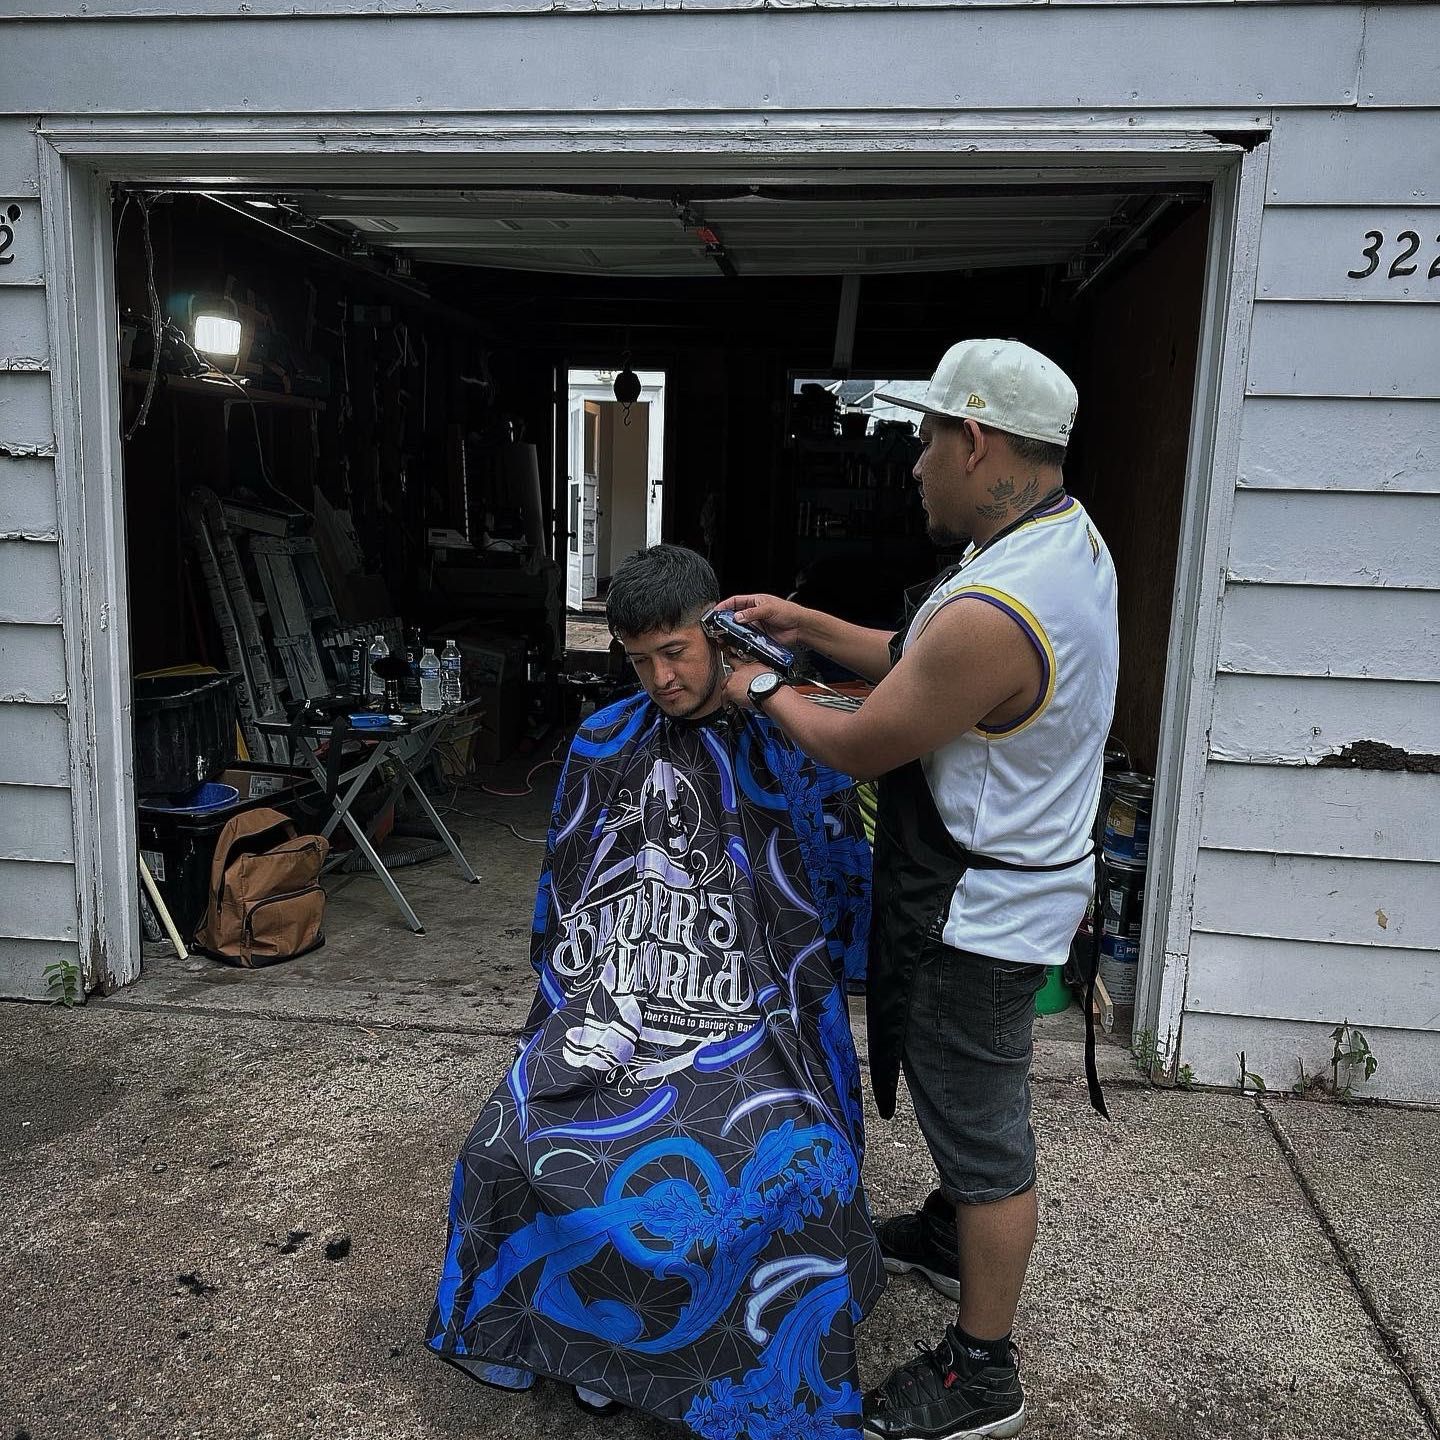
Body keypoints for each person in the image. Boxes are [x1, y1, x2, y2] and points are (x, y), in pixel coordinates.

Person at [716, 340, 1119, 1440]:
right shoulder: (1052, 540)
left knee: (986, 1138)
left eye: (926, 439)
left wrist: (759, 682)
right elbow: (916, 653)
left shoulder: (1002, 604)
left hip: (979, 914)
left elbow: (868, 737)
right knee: (964, 1103)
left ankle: (983, 1372)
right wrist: (806, 629)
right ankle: (949, 1238)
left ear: (976, 440)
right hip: (1013, 885)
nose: (913, 465)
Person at [426, 544, 881, 1437]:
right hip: (621, 1001)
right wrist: (580, 1008)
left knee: (780, 1170)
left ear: (718, 630)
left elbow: (835, 896)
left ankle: (658, 1366)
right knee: (512, 1138)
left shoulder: (794, 735)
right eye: (640, 660)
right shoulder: (605, 742)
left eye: (676, 651)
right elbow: (564, 910)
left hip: (758, 1018)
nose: (662, 677)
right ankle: (590, 1352)